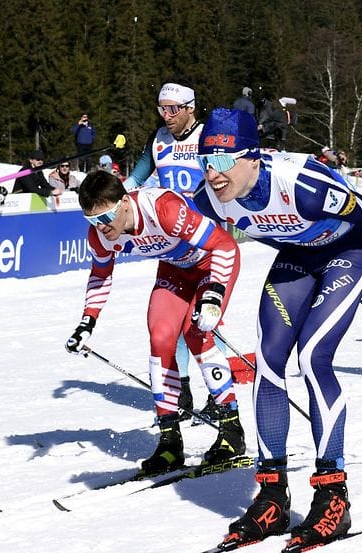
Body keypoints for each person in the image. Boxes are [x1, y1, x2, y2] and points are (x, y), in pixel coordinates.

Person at [193, 108, 362, 550]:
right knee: (268, 361)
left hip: (350, 251)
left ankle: (333, 494)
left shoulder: (302, 185)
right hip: (297, 257)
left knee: (311, 357)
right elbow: (200, 242)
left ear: (253, 157)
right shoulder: (211, 196)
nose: (213, 174)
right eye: (205, 162)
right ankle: (272, 493)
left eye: (222, 162)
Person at [64, 170, 245, 475]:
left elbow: (224, 246)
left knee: (196, 334)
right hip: (175, 271)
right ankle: (170, 441)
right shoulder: (100, 235)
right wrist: (87, 322)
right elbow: (100, 275)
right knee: (160, 337)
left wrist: (213, 294)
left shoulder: (163, 209)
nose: (101, 227)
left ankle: (231, 430)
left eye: (105, 217)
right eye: (92, 221)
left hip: (210, 265)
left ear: (124, 202)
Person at [125, 79, 225, 421]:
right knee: (173, 322)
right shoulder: (158, 139)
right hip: (172, 245)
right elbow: (135, 180)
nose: (166, 116)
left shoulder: (207, 138)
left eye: (172, 110)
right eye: (161, 109)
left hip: (206, 240)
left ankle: (219, 395)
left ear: (189, 108)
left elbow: (226, 177)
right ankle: (180, 392)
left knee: (203, 321)